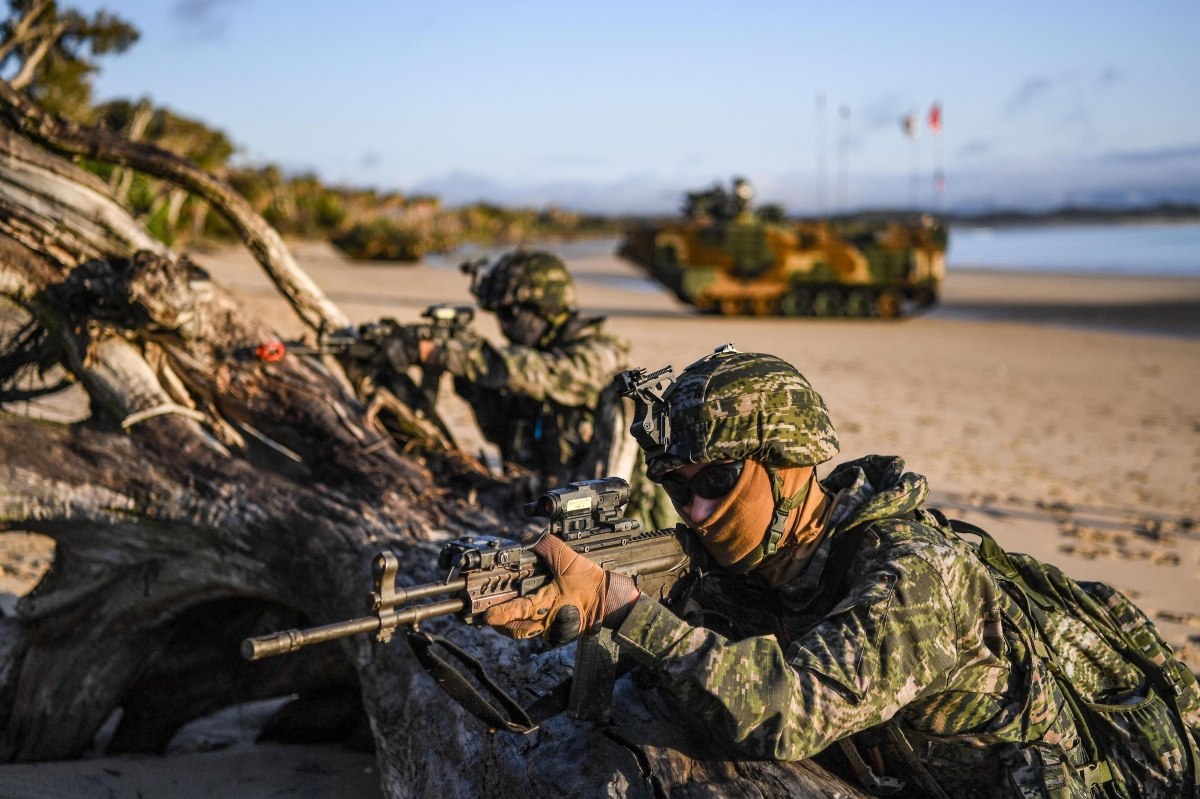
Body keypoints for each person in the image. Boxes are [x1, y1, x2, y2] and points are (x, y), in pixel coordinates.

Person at [484, 347, 1200, 798]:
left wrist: (625, 610)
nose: (696, 510)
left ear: (791, 467)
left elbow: (787, 710)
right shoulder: (758, 562)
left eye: (718, 479)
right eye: (677, 485)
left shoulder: (913, 573)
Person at [418, 249, 630, 491]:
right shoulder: (533, 358)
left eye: (508, 313)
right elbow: (499, 432)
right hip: (535, 498)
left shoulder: (600, 355)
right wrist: (472, 384)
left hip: (605, 509)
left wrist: (442, 353)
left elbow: (543, 373)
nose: (503, 325)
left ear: (543, 308)